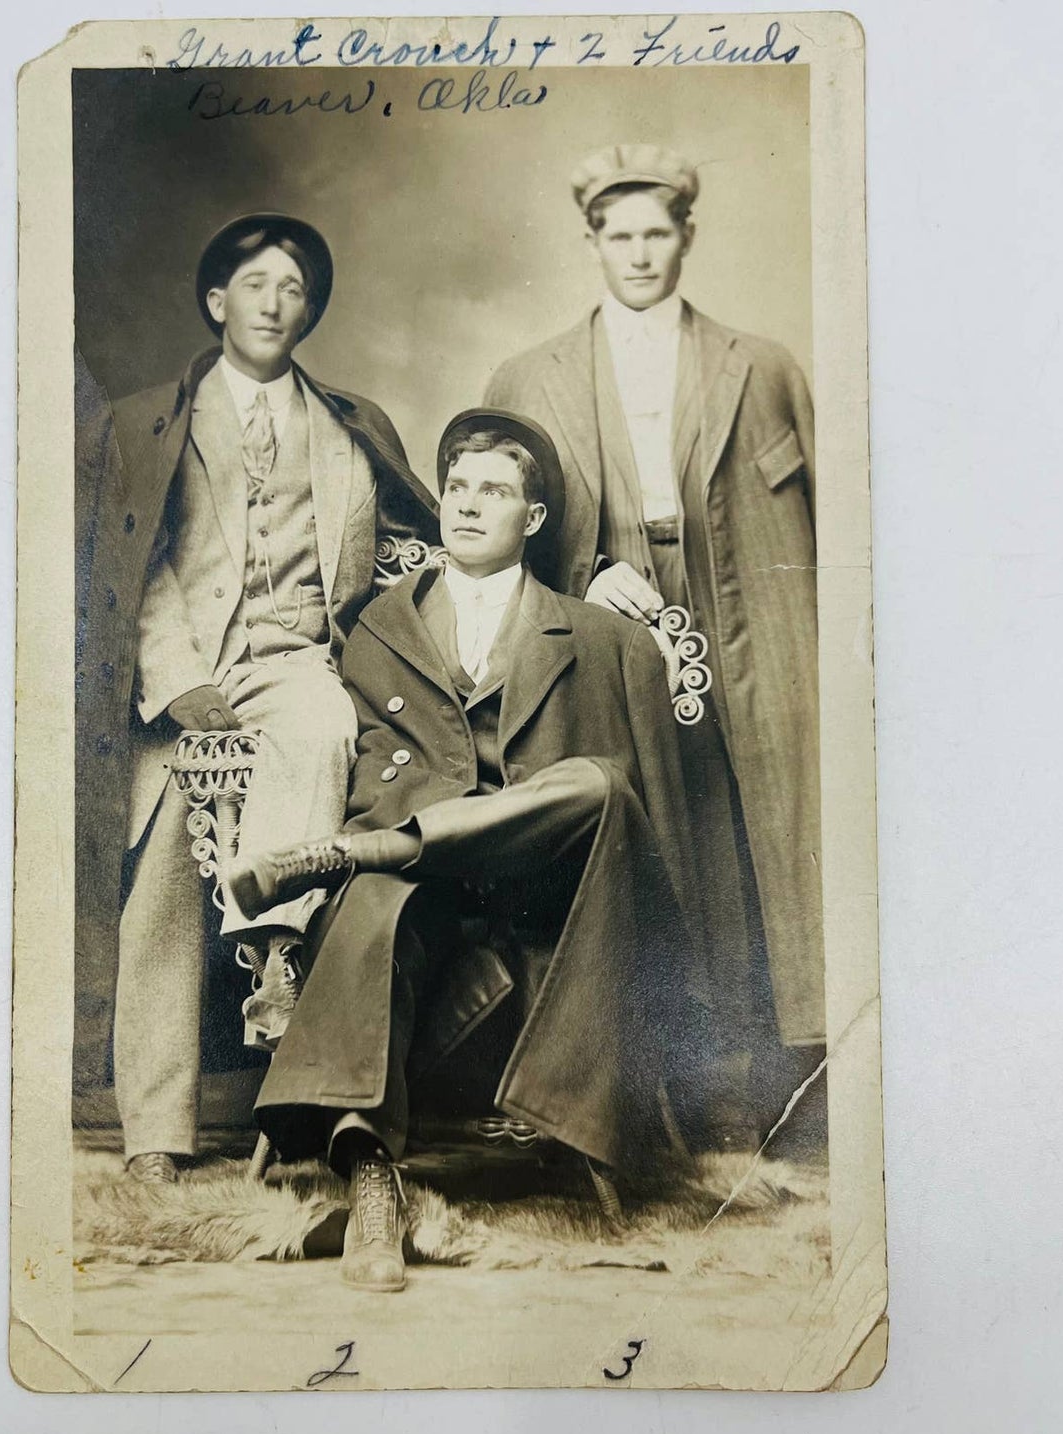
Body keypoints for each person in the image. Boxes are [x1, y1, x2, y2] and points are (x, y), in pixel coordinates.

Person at [227, 410, 714, 1291]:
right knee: (380, 893)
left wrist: (394, 838)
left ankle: (351, 855)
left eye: (492, 490)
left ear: (531, 517)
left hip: (548, 880)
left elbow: (633, 806)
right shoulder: (382, 625)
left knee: (597, 782)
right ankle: (372, 1183)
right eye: (455, 486)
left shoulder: (597, 634)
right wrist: (411, 834)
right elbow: (375, 770)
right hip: (431, 880)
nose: (465, 504)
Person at [74, 214, 438, 1182]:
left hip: (293, 659)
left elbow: (404, 554)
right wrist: (181, 682)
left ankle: (274, 959)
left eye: (294, 289)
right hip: (186, 663)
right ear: (215, 303)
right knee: (158, 866)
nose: (277, 303)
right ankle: (154, 1131)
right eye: (258, 285)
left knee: (321, 733)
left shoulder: (350, 426)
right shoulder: (153, 420)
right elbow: (136, 567)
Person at [483, 144, 823, 1146]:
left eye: (655, 234)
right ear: (591, 243)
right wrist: (585, 570)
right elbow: (495, 519)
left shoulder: (757, 364)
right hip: (607, 607)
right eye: (617, 235)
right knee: (652, 827)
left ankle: (759, 1074)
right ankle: (644, 1086)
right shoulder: (528, 374)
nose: (637, 254)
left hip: (745, 604)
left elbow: (835, 514)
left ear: (685, 238)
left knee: (757, 824)